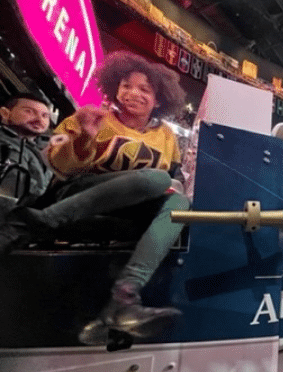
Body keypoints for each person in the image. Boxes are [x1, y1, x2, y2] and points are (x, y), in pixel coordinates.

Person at [0, 51, 190, 345]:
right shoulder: (91, 116)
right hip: (78, 194)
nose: (133, 94)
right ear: (114, 87)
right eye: (126, 85)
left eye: (144, 89)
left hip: (129, 210)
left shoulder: (166, 136)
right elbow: (58, 165)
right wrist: (86, 136)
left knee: (179, 205)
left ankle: (124, 299)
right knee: (158, 178)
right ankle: (34, 223)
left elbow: (174, 179)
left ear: (159, 99)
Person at [0, 93, 53, 202]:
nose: (39, 119)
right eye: (29, 111)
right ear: (5, 113)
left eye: (45, 116)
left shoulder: (50, 150)